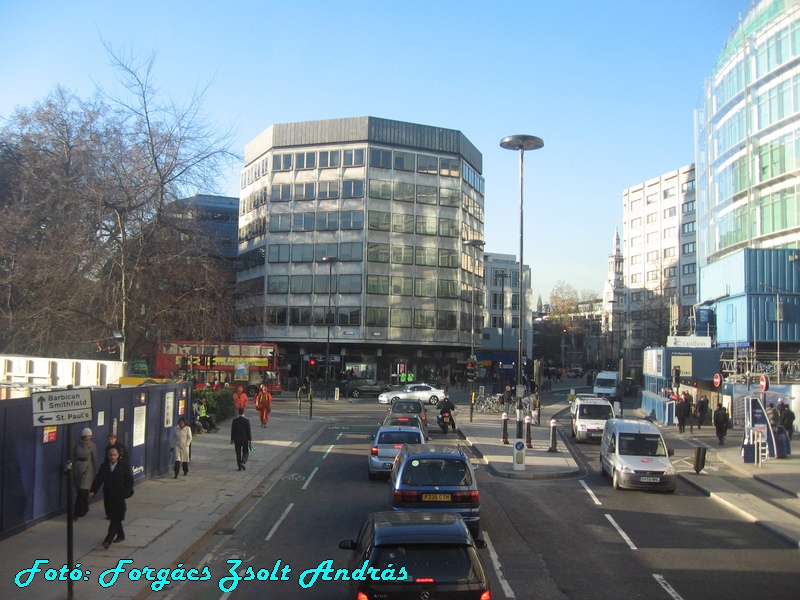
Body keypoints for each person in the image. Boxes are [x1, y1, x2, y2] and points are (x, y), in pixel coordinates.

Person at [89, 447, 134, 549]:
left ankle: (108, 541)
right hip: (109, 496)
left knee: (115, 518)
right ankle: (121, 535)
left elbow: (130, 480)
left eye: (114, 455)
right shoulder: (104, 466)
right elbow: (99, 479)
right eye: (111, 455)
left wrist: (125, 492)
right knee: (114, 517)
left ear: (118, 456)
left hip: (119, 496)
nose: (112, 457)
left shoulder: (123, 466)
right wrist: (93, 490)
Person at [71, 428, 98, 519]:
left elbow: (94, 459)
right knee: (79, 490)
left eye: (90, 436)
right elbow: (72, 456)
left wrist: (97, 470)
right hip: (77, 468)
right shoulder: (76, 444)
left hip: (87, 469)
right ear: (83, 436)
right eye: (88, 436)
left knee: (83, 490)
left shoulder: (92, 445)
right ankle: (83, 509)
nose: (89, 437)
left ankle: (77, 511)